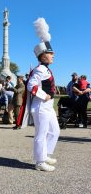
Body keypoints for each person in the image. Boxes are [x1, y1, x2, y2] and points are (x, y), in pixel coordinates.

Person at [27, 17, 60, 172]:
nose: (53, 55)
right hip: (41, 106)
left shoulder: (46, 69)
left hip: (47, 106)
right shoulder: (40, 69)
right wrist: (43, 95)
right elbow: (31, 85)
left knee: (55, 131)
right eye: (50, 53)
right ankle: (39, 162)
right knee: (41, 134)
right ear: (43, 56)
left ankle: (45, 154)